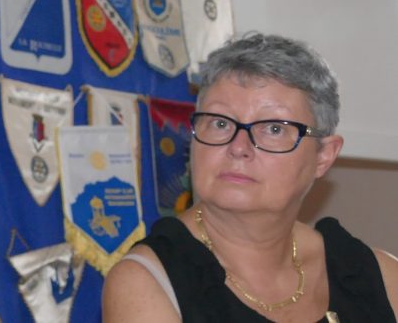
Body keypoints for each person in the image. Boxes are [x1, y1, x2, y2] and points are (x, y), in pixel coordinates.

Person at [103, 33, 398, 322]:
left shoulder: (380, 277)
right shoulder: (148, 282)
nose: (238, 147)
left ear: (324, 156)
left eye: (274, 129)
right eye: (220, 123)